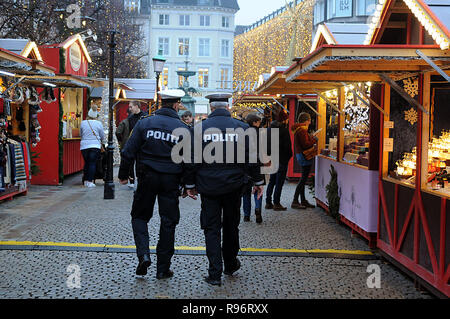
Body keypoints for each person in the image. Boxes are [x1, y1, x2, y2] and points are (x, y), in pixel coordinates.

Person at [184, 93, 264, 287]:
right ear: (227, 106)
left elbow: (190, 160)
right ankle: (230, 264)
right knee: (231, 226)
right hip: (234, 185)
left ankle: (214, 273)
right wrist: (259, 181)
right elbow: (252, 157)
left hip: (209, 186)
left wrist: (189, 185)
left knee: (211, 228)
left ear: (211, 108)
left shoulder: (198, 129)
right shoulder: (243, 127)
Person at [118, 89, 191, 278]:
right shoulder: (184, 129)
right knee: (168, 222)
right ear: (176, 105)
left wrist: (123, 174)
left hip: (146, 178)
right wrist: (187, 184)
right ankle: (162, 268)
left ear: (161, 103)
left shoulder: (145, 123)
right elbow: (190, 161)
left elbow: (128, 151)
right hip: (170, 180)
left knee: (139, 217)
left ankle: (143, 255)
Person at [265, 110, 292, 211]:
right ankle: (276, 203)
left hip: (272, 159)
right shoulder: (284, 131)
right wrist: (287, 158)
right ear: (284, 120)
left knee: (272, 180)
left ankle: (268, 202)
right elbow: (287, 147)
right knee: (279, 182)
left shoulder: (269, 129)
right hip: (281, 160)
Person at [119, 101, 148, 188]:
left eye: (131, 107)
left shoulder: (145, 116)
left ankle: (140, 179)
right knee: (130, 162)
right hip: (132, 142)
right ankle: (131, 180)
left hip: (142, 144)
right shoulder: (130, 117)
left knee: (140, 163)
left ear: (136, 106)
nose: (130, 109)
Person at [291, 112, 317, 209]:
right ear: (306, 120)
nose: (310, 123)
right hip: (304, 155)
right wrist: (314, 139)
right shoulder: (302, 130)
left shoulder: (299, 130)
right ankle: (295, 200)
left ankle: (303, 200)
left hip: (300, 155)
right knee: (303, 180)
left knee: (303, 178)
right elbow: (306, 144)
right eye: (309, 120)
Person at [241, 113, 263, 223]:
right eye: (259, 122)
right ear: (254, 122)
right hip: (257, 165)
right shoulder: (261, 133)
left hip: (246, 165)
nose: (260, 124)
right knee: (258, 188)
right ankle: (258, 208)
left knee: (246, 191)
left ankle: (246, 215)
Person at [80, 109, 105, 188]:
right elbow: (102, 136)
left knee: (86, 163)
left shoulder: (83, 123)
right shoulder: (99, 123)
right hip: (95, 146)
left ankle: (85, 180)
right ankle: (90, 181)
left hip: (84, 146)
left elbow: (81, 134)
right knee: (92, 163)